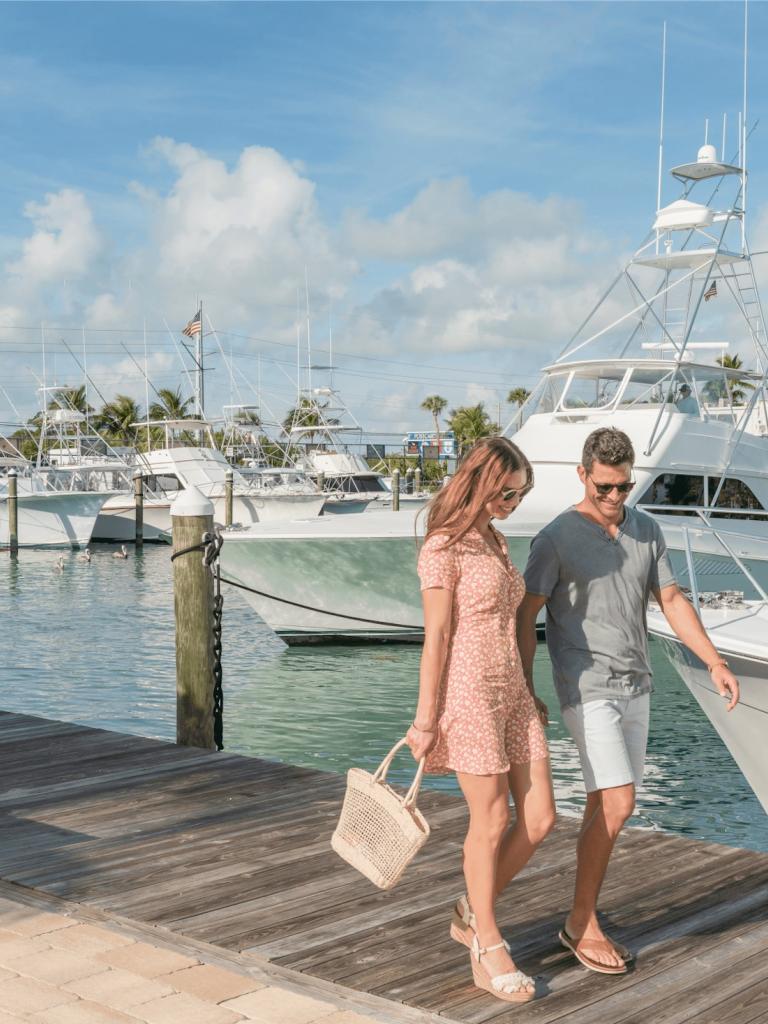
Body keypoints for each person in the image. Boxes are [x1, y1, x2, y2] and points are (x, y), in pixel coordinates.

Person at [517, 427, 739, 976]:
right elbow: (525, 615)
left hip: (637, 686)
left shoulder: (646, 529)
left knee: (603, 807)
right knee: (618, 804)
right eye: (605, 488)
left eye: (623, 487)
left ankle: (582, 917)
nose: (615, 499)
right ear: (583, 475)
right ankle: (580, 923)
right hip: (585, 687)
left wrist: (714, 660)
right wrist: (527, 687)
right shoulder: (554, 538)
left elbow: (670, 597)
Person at [407, 436, 553, 1005]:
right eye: (506, 492)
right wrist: (425, 719)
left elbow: (513, 622)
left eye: (519, 495)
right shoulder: (443, 546)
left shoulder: (496, 541)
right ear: (481, 481)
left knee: (540, 818)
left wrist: (530, 688)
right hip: (467, 693)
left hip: (511, 691)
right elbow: (437, 636)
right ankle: (486, 943)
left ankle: (471, 909)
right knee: (490, 821)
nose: (512, 503)